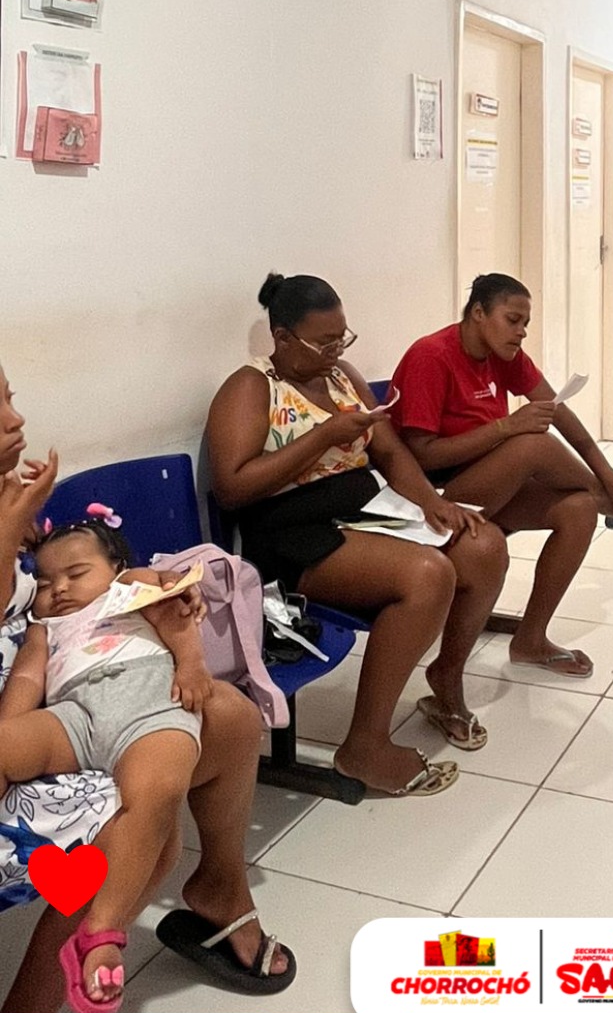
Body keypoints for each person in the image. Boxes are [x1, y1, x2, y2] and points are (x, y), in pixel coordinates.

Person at [0, 361, 294, 1013]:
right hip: (59, 708)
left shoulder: (24, 511)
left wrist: (181, 645)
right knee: (144, 828)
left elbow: (151, 599)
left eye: (10, 399)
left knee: (230, 717)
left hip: (110, 698)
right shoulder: (23, 545)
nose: (17, 421)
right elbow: (27, 660)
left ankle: (217, 888)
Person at [207, 273, 508, 772]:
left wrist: (429, 503)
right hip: (290, 532)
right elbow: (233, 487)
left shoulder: (341, 376)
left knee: (484, 545)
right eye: (323, 342)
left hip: (365, 510)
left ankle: (446, 679)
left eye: (341, 338)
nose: (336, 350)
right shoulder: (252, 386)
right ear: (282, 337)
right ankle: (365, 744)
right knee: (428, 575)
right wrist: (322, 436)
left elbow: (389, 451)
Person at [391, 273, 613, 681]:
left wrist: (607, 470)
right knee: (532, 445)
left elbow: (556, 409)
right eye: (513, 320)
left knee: (578, 509)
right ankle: (612, 501)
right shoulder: (431, 356)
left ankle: (531, 640)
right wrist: (506, 428)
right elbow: (421, 456)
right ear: (478, 313)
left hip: (485, 483)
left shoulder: (504, 355)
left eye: (525, 324)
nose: (521, 332)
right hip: (433, 497)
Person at [0, 520, 212, 1013]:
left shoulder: (128, 586)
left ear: (115, 567)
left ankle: (100, 931)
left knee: (158, 790)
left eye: (76, 574)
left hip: (150, 706)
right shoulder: (43, 624)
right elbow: (28, 677)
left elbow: (175, 612)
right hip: (74, 715)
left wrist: (191, 664)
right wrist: (10, 731)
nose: (60, 589)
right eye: (46, 583)